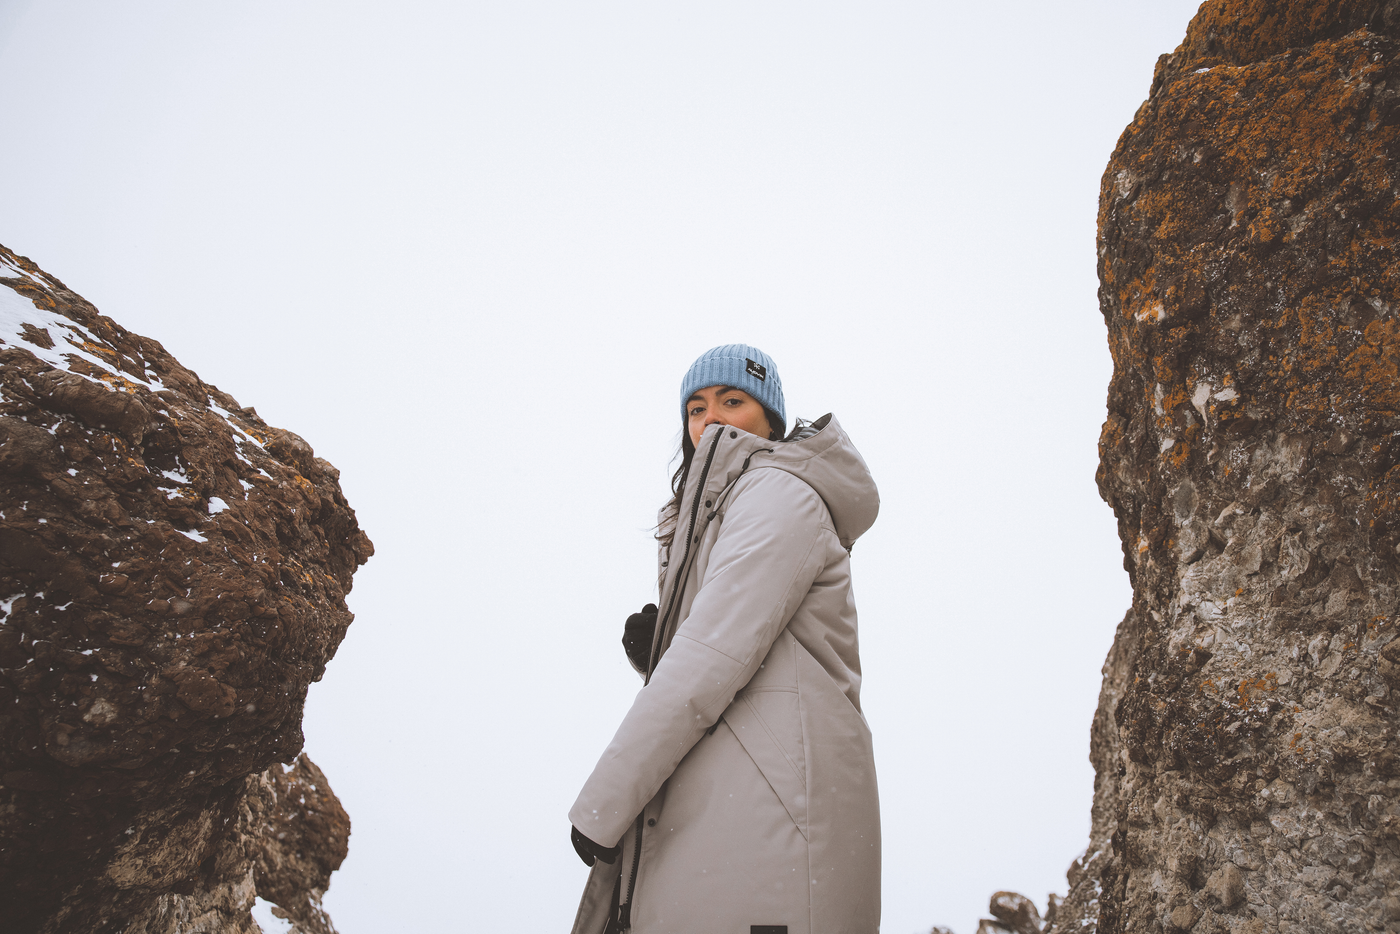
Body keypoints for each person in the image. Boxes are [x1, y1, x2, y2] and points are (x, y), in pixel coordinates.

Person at [568, 344, 881, 934]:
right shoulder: (719, 510)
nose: (709, 417)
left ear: (771, 419)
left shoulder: (777, 493)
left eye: (731, 401)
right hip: (739, 804)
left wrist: (603, 804)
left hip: (772, 815)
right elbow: (731, 651)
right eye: (695, 407)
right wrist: (658, 651)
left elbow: (711, 656)